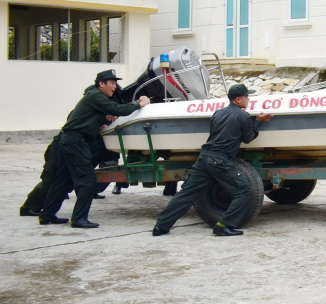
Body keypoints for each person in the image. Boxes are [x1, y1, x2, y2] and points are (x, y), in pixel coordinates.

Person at [152, 84, 273, 237]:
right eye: (246, 97)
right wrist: (258, 121)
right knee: (245, 190)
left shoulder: (218, 113)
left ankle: (161, 226)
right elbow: (248, 138)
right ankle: (223, 225)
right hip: (220, 161)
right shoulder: (243, 116)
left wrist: (252, 119)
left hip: (204, 159)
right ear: (238, 99)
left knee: (187, 194)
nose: (248, 99)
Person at [38, 70, 150, 228]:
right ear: (101, 84)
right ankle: (79, 219)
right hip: (75, 142)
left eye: (115, 83)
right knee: (87, 180)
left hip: (69, 140)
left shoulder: (96, 98)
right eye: (111, 83)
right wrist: (141, 103)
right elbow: (120, 109)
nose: (115, 87)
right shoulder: (96, 95)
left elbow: (90, 116)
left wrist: (103, 120)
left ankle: (47, 214)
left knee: (63, 179)